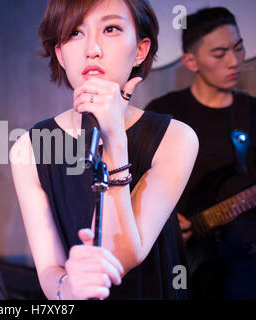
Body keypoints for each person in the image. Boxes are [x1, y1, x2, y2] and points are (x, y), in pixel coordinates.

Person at [10, 0, 198, 300]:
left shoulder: (175, 138)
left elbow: (122, 256)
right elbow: (49, 270)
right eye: (74, 33)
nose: (92, 49)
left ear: (140, 49)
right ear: (60, 53)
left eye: (110, 28)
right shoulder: (29, 149)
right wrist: (68, 288)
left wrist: (114, 140)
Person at [146, 7, 256, 299]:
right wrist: (165, 220)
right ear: (190, 61)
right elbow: (132, 181)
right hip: (182, 263)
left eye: (239, 47)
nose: (234, 61)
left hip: (245, 265)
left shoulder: (252, 111)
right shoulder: (163, 113)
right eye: (219, 54)